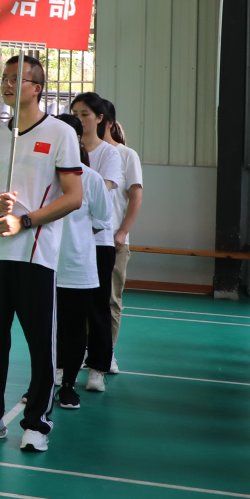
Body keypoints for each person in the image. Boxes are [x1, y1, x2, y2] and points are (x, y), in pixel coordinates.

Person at [0, 55, 83, 452]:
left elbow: (73, 197)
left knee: (40, 344)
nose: (7, 85)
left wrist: (24, 221)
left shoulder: (60, 133)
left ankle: (37, 422)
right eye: (4, 78)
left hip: (34, 255)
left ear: (36, 88)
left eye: (16, 79)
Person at [53, 129, 115, 410]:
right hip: (43, 264)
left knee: (75, 327)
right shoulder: (43, 175)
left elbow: (103, 218)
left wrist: (75, 240)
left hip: (76, 266)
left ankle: (68, 386)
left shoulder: (90, 178)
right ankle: (42, 382)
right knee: (44, 328)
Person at [67, 93, 124, 393]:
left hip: (98, 241)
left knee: (97, 305)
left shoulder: (109, 154)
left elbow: (103, 190)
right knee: (65, 309)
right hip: (67, 241)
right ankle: (63, 367)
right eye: (75, 113)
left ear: (100, 119)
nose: (80, 118)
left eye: (85, 113)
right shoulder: (64, 153)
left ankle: (98, 367)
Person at [102, 102, 145, 357]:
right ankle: (84, 350)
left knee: (111, 299)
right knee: (83, 299)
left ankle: (106, 352)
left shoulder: (127, 155)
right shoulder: (81, 152)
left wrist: (122, 232)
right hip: (84, 241)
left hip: (114, 241)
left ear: (107, 122)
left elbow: (135, 198)